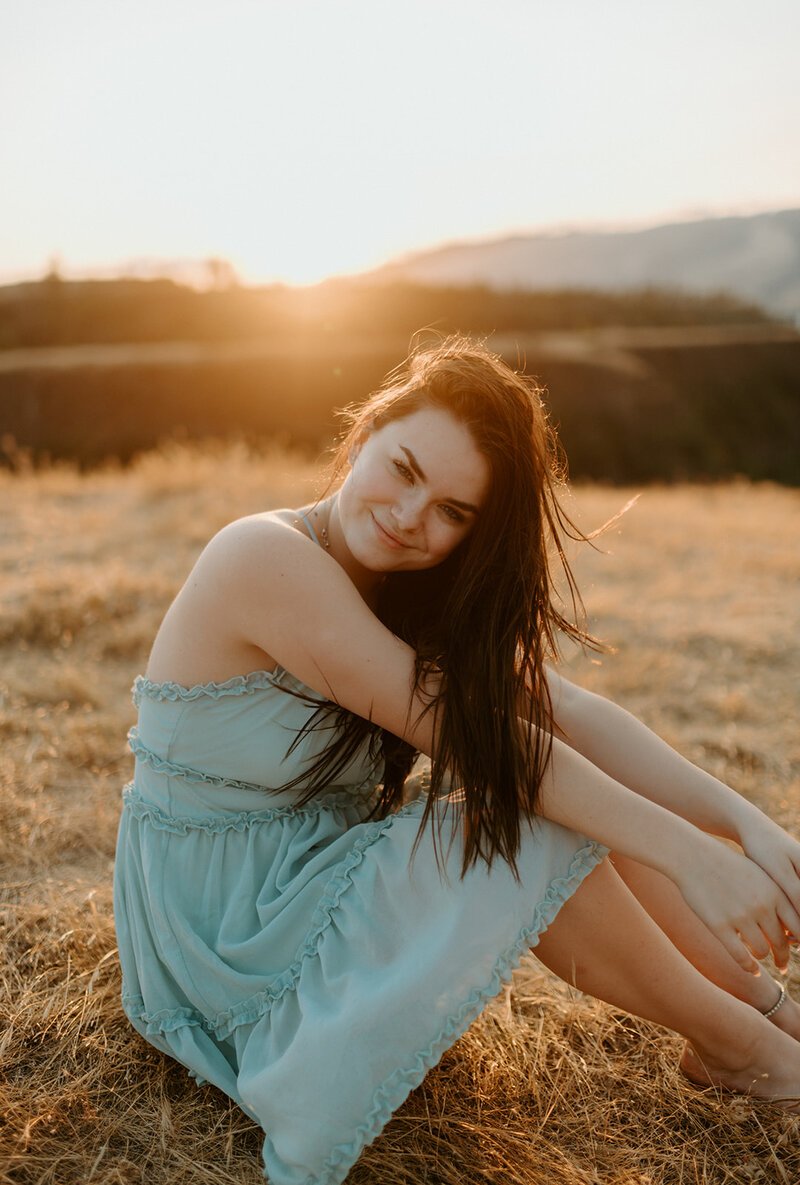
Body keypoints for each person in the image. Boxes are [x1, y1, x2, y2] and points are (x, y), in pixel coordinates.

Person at [114, 334, 800, 1185]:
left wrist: (745, 825)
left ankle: (763, 1014)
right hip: (222, 923)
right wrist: (693, 857)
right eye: (402, 469)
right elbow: (488, 750)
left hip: (300, 873)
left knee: (567, 787)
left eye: (451, 511)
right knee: (522, 821)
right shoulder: (265, 559)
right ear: (364, 431)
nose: (410, 517)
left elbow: (569, 713)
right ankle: (746, 1051)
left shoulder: (410, 585)